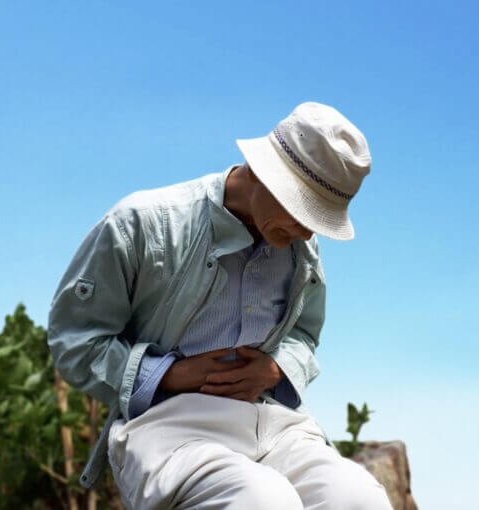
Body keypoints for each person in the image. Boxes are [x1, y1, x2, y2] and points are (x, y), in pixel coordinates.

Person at [47, 102, 393, 509]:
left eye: (317, 219)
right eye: (302, 210)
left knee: (361, 499)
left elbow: (303, 334)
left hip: (273, 425)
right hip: (167, 427)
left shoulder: (301, 246)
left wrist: (275, 369)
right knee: (263, 501)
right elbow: (76, 340)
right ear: (262, 171)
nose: (305, 231)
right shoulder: (141, 223)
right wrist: (168, 375)